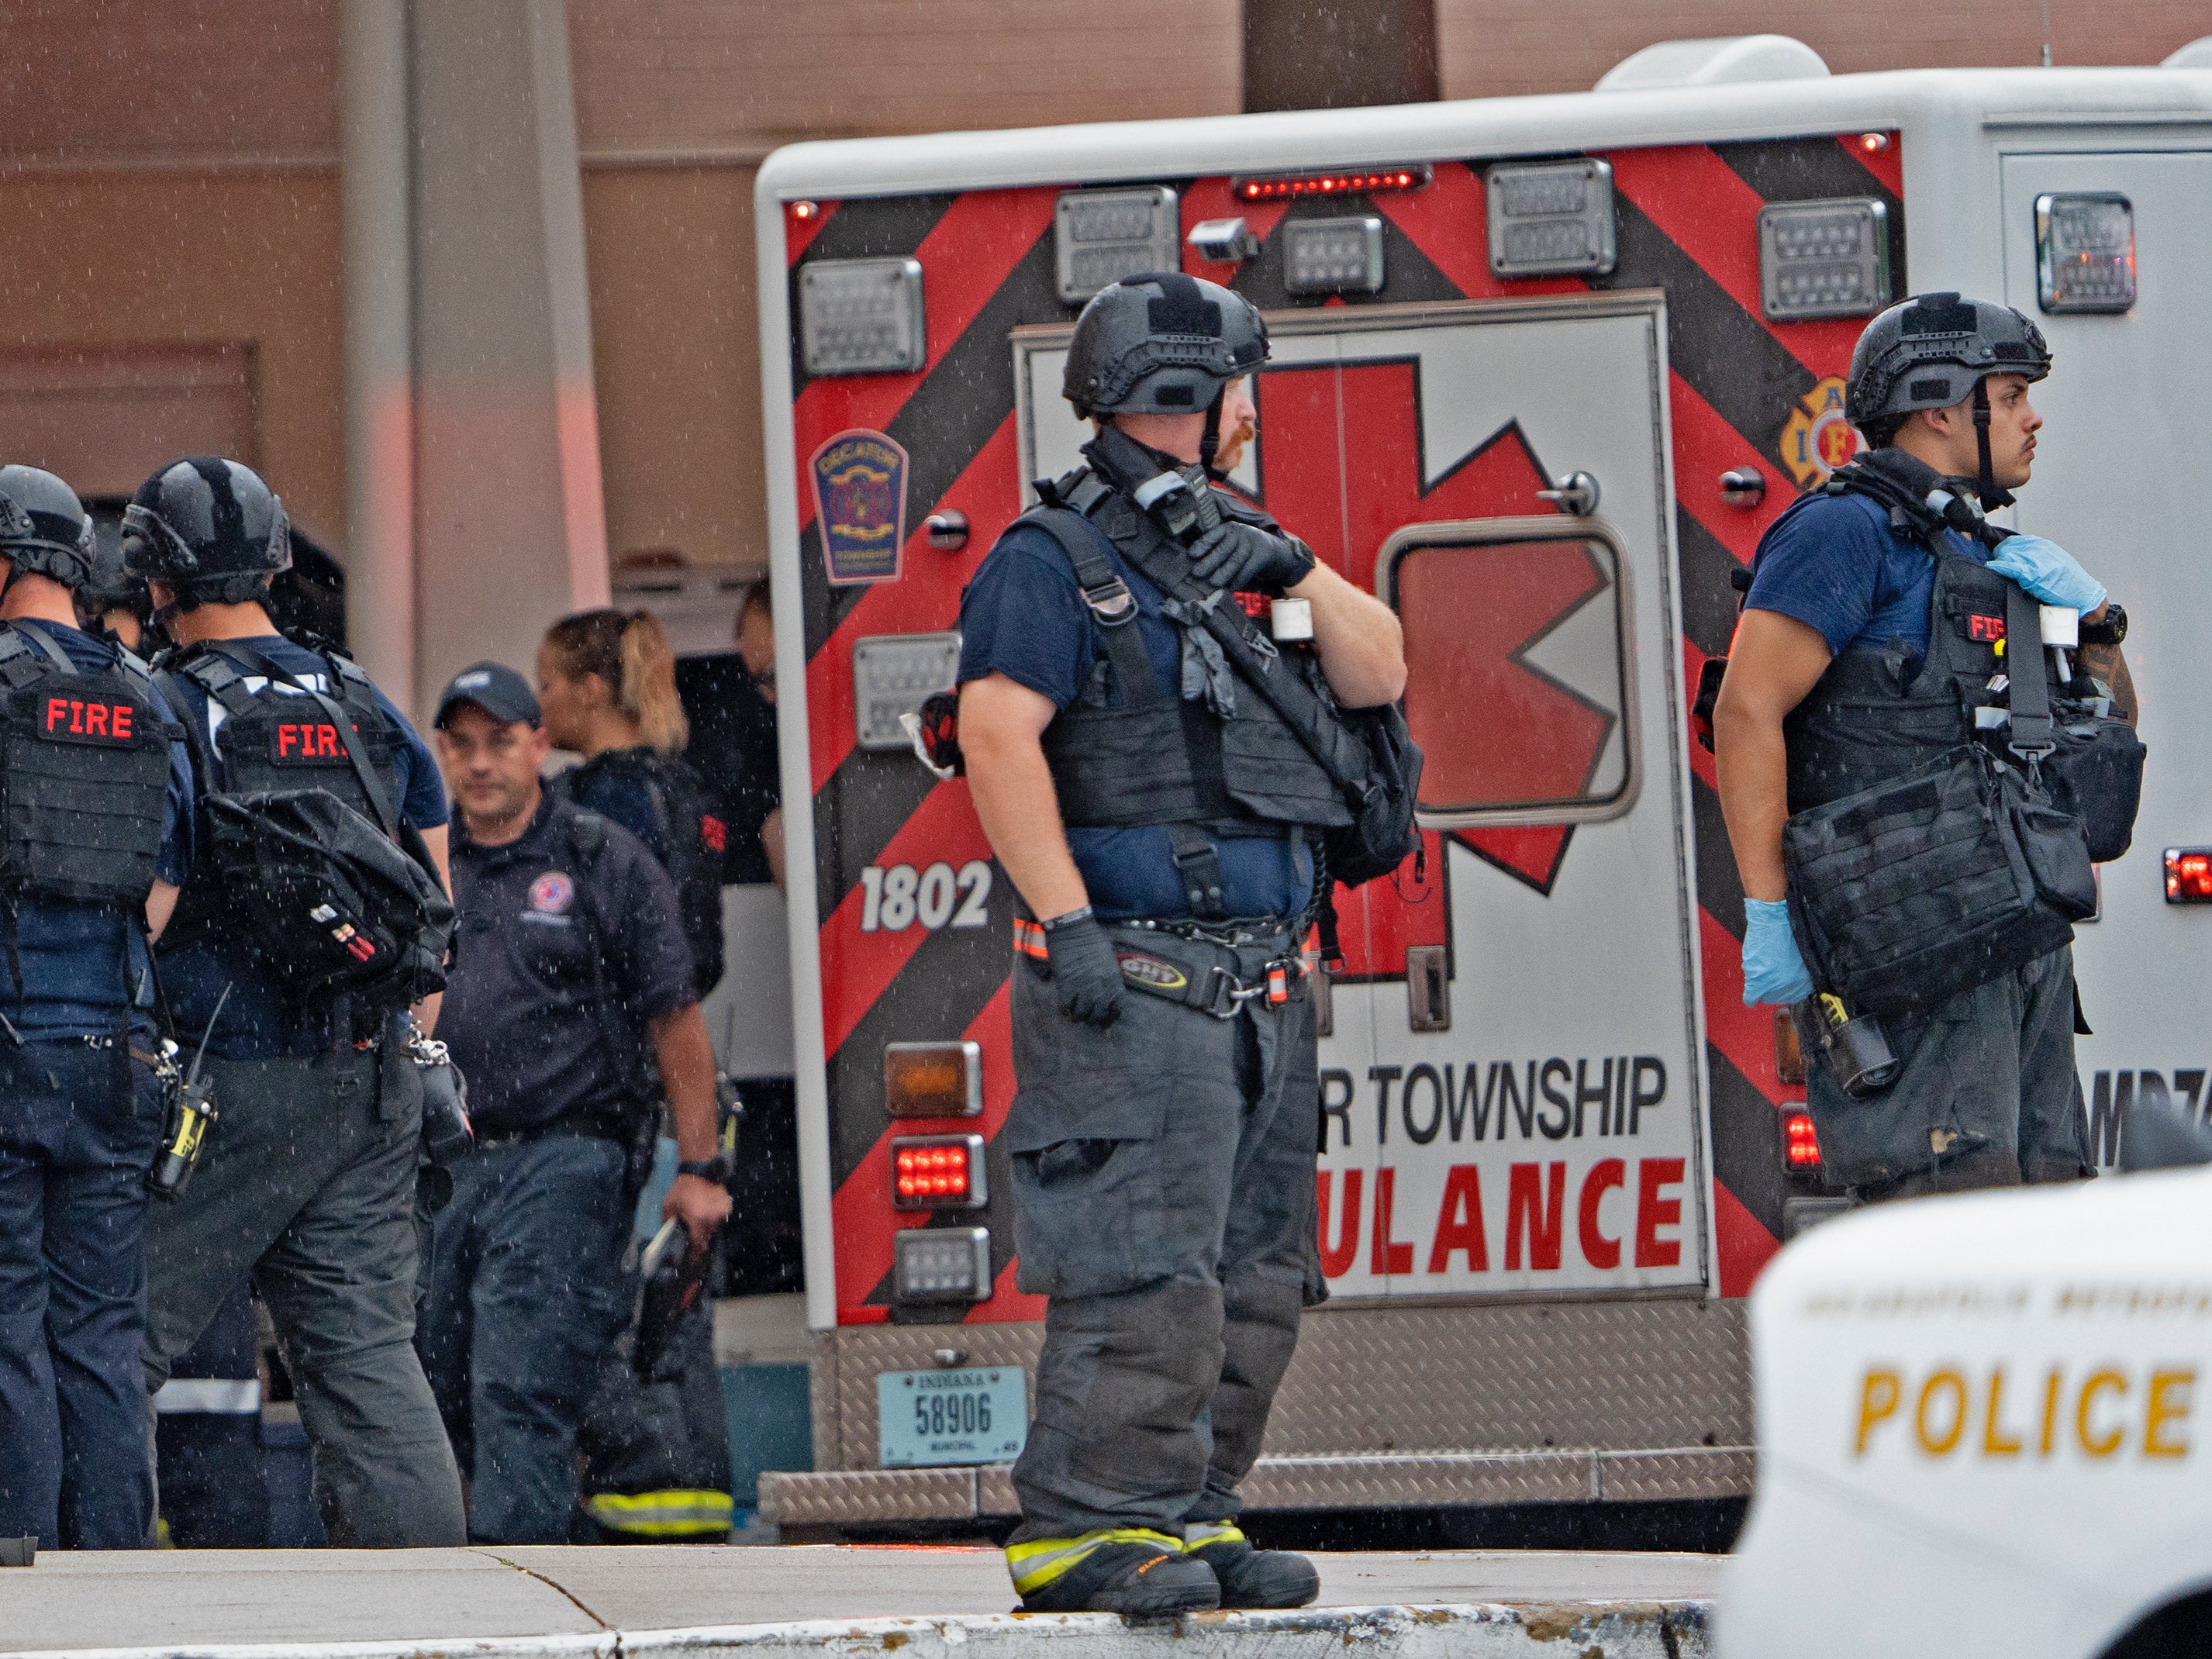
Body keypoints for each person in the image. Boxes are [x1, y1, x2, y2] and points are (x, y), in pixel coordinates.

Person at [957, 271, 1406, 1616]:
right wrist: (1068, 922)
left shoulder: (1238, 542)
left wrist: (1297, 567)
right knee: (1142, 1264)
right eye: (1238, 387)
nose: (1252, 411)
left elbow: (1380, 671)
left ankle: (1189, 1511)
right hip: (1140, 984)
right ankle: (1090, 1527)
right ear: (1186, 398)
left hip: (1260, 983)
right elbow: (994, 732)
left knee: (1251, 1275)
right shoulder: (1050, 561)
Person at [1714, 292, 2136, 1203]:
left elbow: (2105, 747)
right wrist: (1771, 913)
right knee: (1953, 1223)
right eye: (2013, 393)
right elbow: (1747, 711)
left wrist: (2097, 623)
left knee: (2049, 1222)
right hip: (1911, 955)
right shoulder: (1843, 531)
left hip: (2018, 951)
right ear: (1941, 407)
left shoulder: (1992, 552)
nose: (2034, 417)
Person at [127, 456, 467, 1547]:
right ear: (274, 562)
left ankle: (72, 1604)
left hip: (221, 1089)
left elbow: (148, 917)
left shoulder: (170, 711)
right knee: (368, 1360)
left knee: (107, 1340)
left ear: (154, 575)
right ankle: (433, 1615)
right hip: (371, 1077)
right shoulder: (363, 698)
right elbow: (433, 914)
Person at [418, 662, 730, 1544]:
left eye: (500, 742)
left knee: (520, 1384)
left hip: (566, 1157)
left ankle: (523, 1612)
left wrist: (700, 1168)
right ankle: (481, 1585)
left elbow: (677, 1023)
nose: (480, 764)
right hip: (446, 1163)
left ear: (539, 745)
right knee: (433, 1378)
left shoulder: (604, 859)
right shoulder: (425, 866)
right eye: (462, 745)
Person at [0, 465, 193, 1551]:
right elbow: (169, 881)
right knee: (103, 1334)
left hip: (9, 1043)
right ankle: (114, 1573)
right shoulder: (148, 693)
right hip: (116, 1054)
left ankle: (20, 1573)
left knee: (8, 1327)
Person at [539, 609, 726, 998]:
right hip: (674, 1008)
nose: (539, 704)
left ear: (589, 691)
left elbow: (603, 931)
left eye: (545, 686)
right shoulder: (680, 783)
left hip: (611, 1028)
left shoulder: (603, 795)